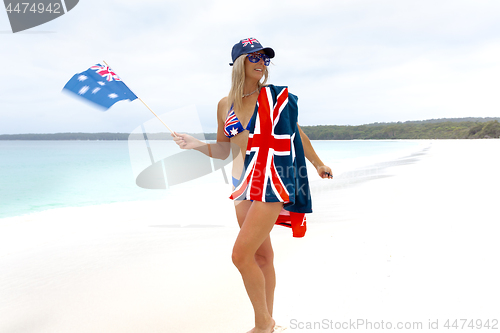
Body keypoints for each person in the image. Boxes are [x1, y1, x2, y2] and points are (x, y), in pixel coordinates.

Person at [172, 38, 332, 333]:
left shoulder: (273, 99)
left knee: (240, 255)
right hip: (241, 183)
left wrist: (318, 163)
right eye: (254, 57)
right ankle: (269, 321)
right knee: (261, 256)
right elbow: (224, 150)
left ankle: (262, 324)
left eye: (265, 58)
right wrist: (195, 144)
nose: (261, 63)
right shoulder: (224, 105)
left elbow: (296, 136)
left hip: (271, 179)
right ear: (238, 64)